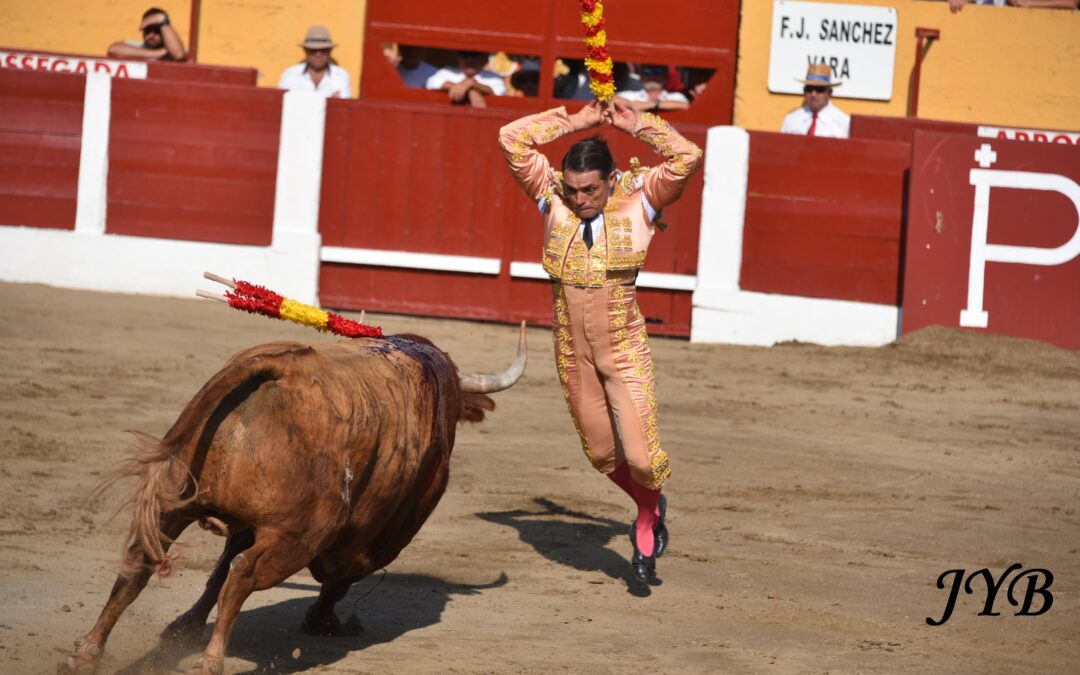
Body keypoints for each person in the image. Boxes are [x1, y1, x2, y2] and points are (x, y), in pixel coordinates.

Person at [497, 99, 702, 584]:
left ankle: (647, 520)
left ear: (612, 180)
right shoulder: (552, 198)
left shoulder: (642, 198)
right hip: (573, 353)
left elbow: (686, 157)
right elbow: (511, 138)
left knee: (644, 458)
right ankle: (648, 503)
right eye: (571, 189)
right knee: (602, 456)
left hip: (625, 349)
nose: (579, 199)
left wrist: (639, 126)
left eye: (589, 189)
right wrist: (575, 121)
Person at [278, 26, 352, 99]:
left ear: (330, 51)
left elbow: (344, 107)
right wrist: (331, 102)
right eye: (313, 50)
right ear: (305, 51)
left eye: (323, 50)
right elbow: (282, 104)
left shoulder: (340, 76)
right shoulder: (290, 74)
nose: (318, 54)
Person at [780, 63, 850, 138]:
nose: (813, 94)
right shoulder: (791, 120)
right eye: (809, 89)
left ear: (829, 93)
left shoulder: (843, 123)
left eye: (819, 89)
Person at [425, 50, 506, 108]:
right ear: (458, 57)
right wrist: (470, 90)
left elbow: (498, 92)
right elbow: (431, 83)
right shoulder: (448, 72)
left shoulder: (493, 77)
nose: (469, 60)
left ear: (483, 58)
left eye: (474, 55)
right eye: (464, 55)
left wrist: (471, 84)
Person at [107, 7, 187, 61]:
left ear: (164, 31)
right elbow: (113, 49)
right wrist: (156, 53)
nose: (151, 35)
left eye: (156, 31)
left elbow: (179, 54)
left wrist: (161, 19)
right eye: (148, 30)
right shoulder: (137, 48)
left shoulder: (175, 50)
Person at [615, 64, 689, 113]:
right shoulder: (631, 95)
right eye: (647, 72)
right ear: (641, 76)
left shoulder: (675, 96)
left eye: (658, 71)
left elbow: (685, 105)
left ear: (665, 77)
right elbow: (609, 99)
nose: (653, 76)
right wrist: (631, 104)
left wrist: (650, 104)